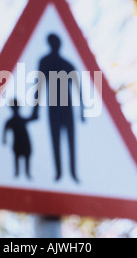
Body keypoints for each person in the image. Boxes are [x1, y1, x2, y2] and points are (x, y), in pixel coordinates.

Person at [32, 33, 85, 182]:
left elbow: (78, 87)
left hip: (67, 109)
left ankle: (73, 173)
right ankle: (59, 174)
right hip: (53, 108)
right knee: (55, 141)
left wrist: (82, 110)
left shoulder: (67, 64)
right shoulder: (45, 62)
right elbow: (39, 86)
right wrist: (35, 111)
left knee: (70, 141)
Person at [3, 99, 36, 179]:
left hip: (26, 141)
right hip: (17, 142)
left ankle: (27, 173)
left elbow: (33, 118)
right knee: (17, 156)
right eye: (13, 107)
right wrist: (4, 139)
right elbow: (5, 130)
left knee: (27, 156)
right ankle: (17, 173)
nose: (15, 108)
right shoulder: (10, 121)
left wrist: (36, 107)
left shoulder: (22, 119)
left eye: (16, 106)